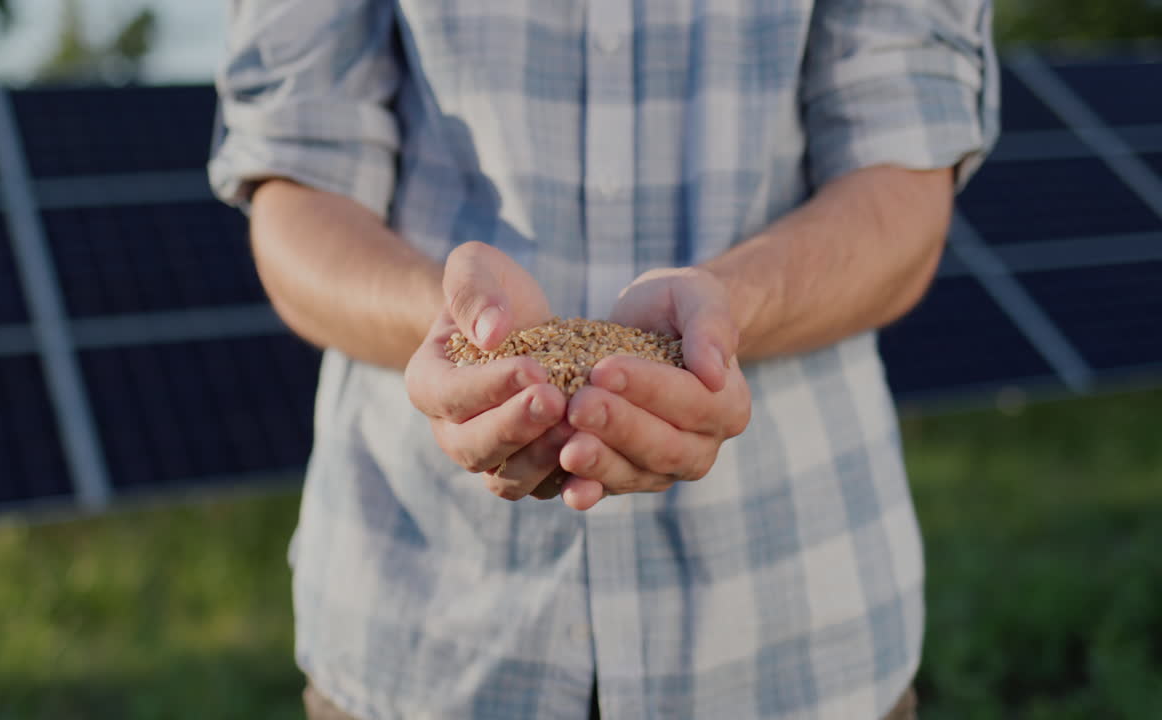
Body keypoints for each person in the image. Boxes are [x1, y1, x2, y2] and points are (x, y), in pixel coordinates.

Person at [209, 0, 997, 717]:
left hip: (796, 636)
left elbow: (903, 180)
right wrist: (449, 325)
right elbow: (295, 189)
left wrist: (729, 306)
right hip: (418, 631)